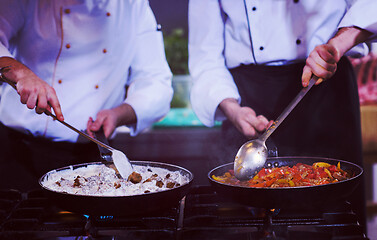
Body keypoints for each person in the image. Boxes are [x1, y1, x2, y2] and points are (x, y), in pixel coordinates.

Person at [188, 0, 377, 235]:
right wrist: (232, 109)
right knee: (245, 222)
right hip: (246, 95)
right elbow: (205, 56)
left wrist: (337, 45)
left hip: (325, 81)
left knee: (338, 221)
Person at [0, 0, 173, 191]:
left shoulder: (132, 5)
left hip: (92, 159)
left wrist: (119, 114)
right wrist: (18, 71)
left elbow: (156, 81)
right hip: (18, 154)